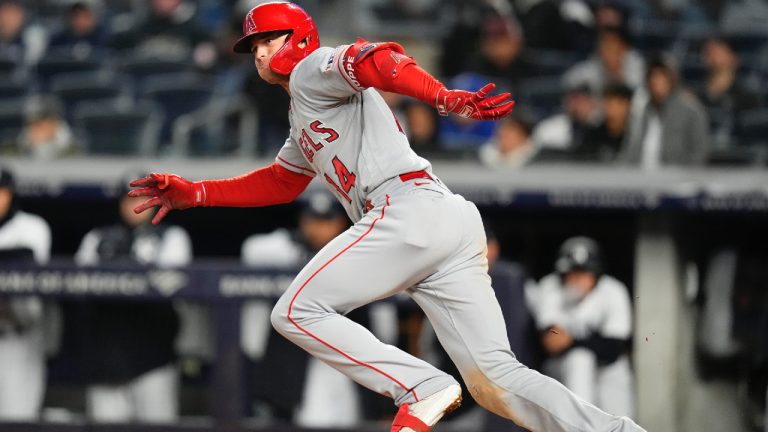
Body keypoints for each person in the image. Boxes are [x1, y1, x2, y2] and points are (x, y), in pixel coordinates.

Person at [128, 3, 644, 431]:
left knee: (295, 311)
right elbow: (280, 181)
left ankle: (420, 386)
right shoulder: (303, 109)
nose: (260, 51)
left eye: (270, 38)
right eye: (253, 46)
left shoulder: (311, 69)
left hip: (405, 209)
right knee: (495, 380)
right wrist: (198, 193)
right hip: (446, 221)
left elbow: (377, 59)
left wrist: (441, 96)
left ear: (300, 37)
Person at [241, 191, 394, 427]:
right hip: (300, 359)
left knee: (351, 416)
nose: (319, 229)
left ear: (340, 222)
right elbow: (252, 249)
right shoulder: (286, 250)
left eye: (327, 221)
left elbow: (385, 321)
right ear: (302, 221)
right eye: (313, 221)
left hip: (346, 358)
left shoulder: (359, 249)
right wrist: (298, 250)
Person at [73, 172, 190, 423]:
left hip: (154, 355)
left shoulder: (172, 237)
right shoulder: (97, 238)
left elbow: (171, 285)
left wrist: (118, 267)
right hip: (106, 353)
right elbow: (79, 285)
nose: (136, 205)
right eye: (130, 199)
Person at [528, 237, 636, 418]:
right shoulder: (550, 287)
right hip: (563, 369)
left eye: (584, 273)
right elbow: (551, 337)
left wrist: (571, 340)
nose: (577, 279)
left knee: (619, 423)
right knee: (579, 359)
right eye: (571, 272)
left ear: (596, 275)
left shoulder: (613, 291)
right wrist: (564, 337)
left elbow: (613, 347)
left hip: (609, 372)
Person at [0, 166, 51, 421]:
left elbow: (25, 258)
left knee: (17, 421)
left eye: (1, 192)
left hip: (17, 337)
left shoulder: (31, 226)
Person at [620, 55, 710, 169]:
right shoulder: (640, 111)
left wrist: (685, 176)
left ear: (672, 79)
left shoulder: (691, 111)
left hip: (677, 176)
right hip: (639, 176)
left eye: (661, 75)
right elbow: (630, 150)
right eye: (652, 76)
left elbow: (699, 153)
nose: (656, 81)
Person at [563, 26, 645, 95]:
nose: (606, 50)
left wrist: (615, 72)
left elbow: (636, 92)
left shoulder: (635, 62)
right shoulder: (593, 64)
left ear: (623, 46)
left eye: (611, 45)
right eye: (603, 45)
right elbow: (567, 81)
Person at [532, 80, 598, 151]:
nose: (575, 105)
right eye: (572, 99)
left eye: (581, 99)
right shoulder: (548, 129)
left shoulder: (602, 126)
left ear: (592, 102)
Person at [578, 82, 633, 162]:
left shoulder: (635, 136)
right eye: (607, 102)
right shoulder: (593, 136)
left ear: (628, 105)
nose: (611, 108)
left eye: (618, 103)